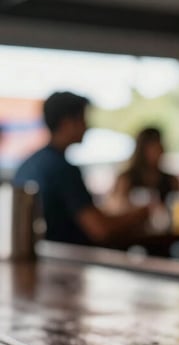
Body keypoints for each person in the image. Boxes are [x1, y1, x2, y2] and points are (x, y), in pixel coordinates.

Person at [13, 91, 149, 246]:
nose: (87, 126)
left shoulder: (28, 165)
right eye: (83, 119)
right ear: (67, 123)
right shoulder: (62, 170)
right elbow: (99, 229)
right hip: (66, 261)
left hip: (38, 257)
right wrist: (140, 215)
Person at [108, 127, 179, 212]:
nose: (160, 150)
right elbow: (114, 208)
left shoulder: (171, 180)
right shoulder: (126, 180)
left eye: (160, 146)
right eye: (154, 146)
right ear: (142, 150)